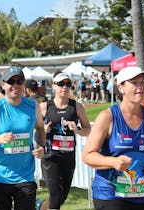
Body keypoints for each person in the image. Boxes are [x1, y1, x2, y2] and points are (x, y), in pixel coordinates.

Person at [82, 66, 144, 210]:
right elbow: (87, 156)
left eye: (143, 82)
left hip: (141, 194)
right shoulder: (107, 117)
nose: (140, 87)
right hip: (110, 194)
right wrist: (113, 162)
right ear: (121, 88)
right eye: (134, 82)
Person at [0, 67, 46, 210]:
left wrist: (41, 146)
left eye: (19, 81)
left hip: (25, 176)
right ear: (3, 85)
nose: (15, 85)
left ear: (24, 84)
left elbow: (39, 127)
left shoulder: (33, 106)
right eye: (11, 82)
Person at [38, 71, 91, 210]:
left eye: (68, 84)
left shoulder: (77, 107)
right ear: (53, 86)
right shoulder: (44, 107)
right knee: (55, 195)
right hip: (50, 156)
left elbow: (88, 130)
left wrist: (77, 129)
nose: (65, 87)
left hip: (68, 156)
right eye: (61, 84)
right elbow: (34, 129)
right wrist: (42, 130)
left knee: (62, 197)